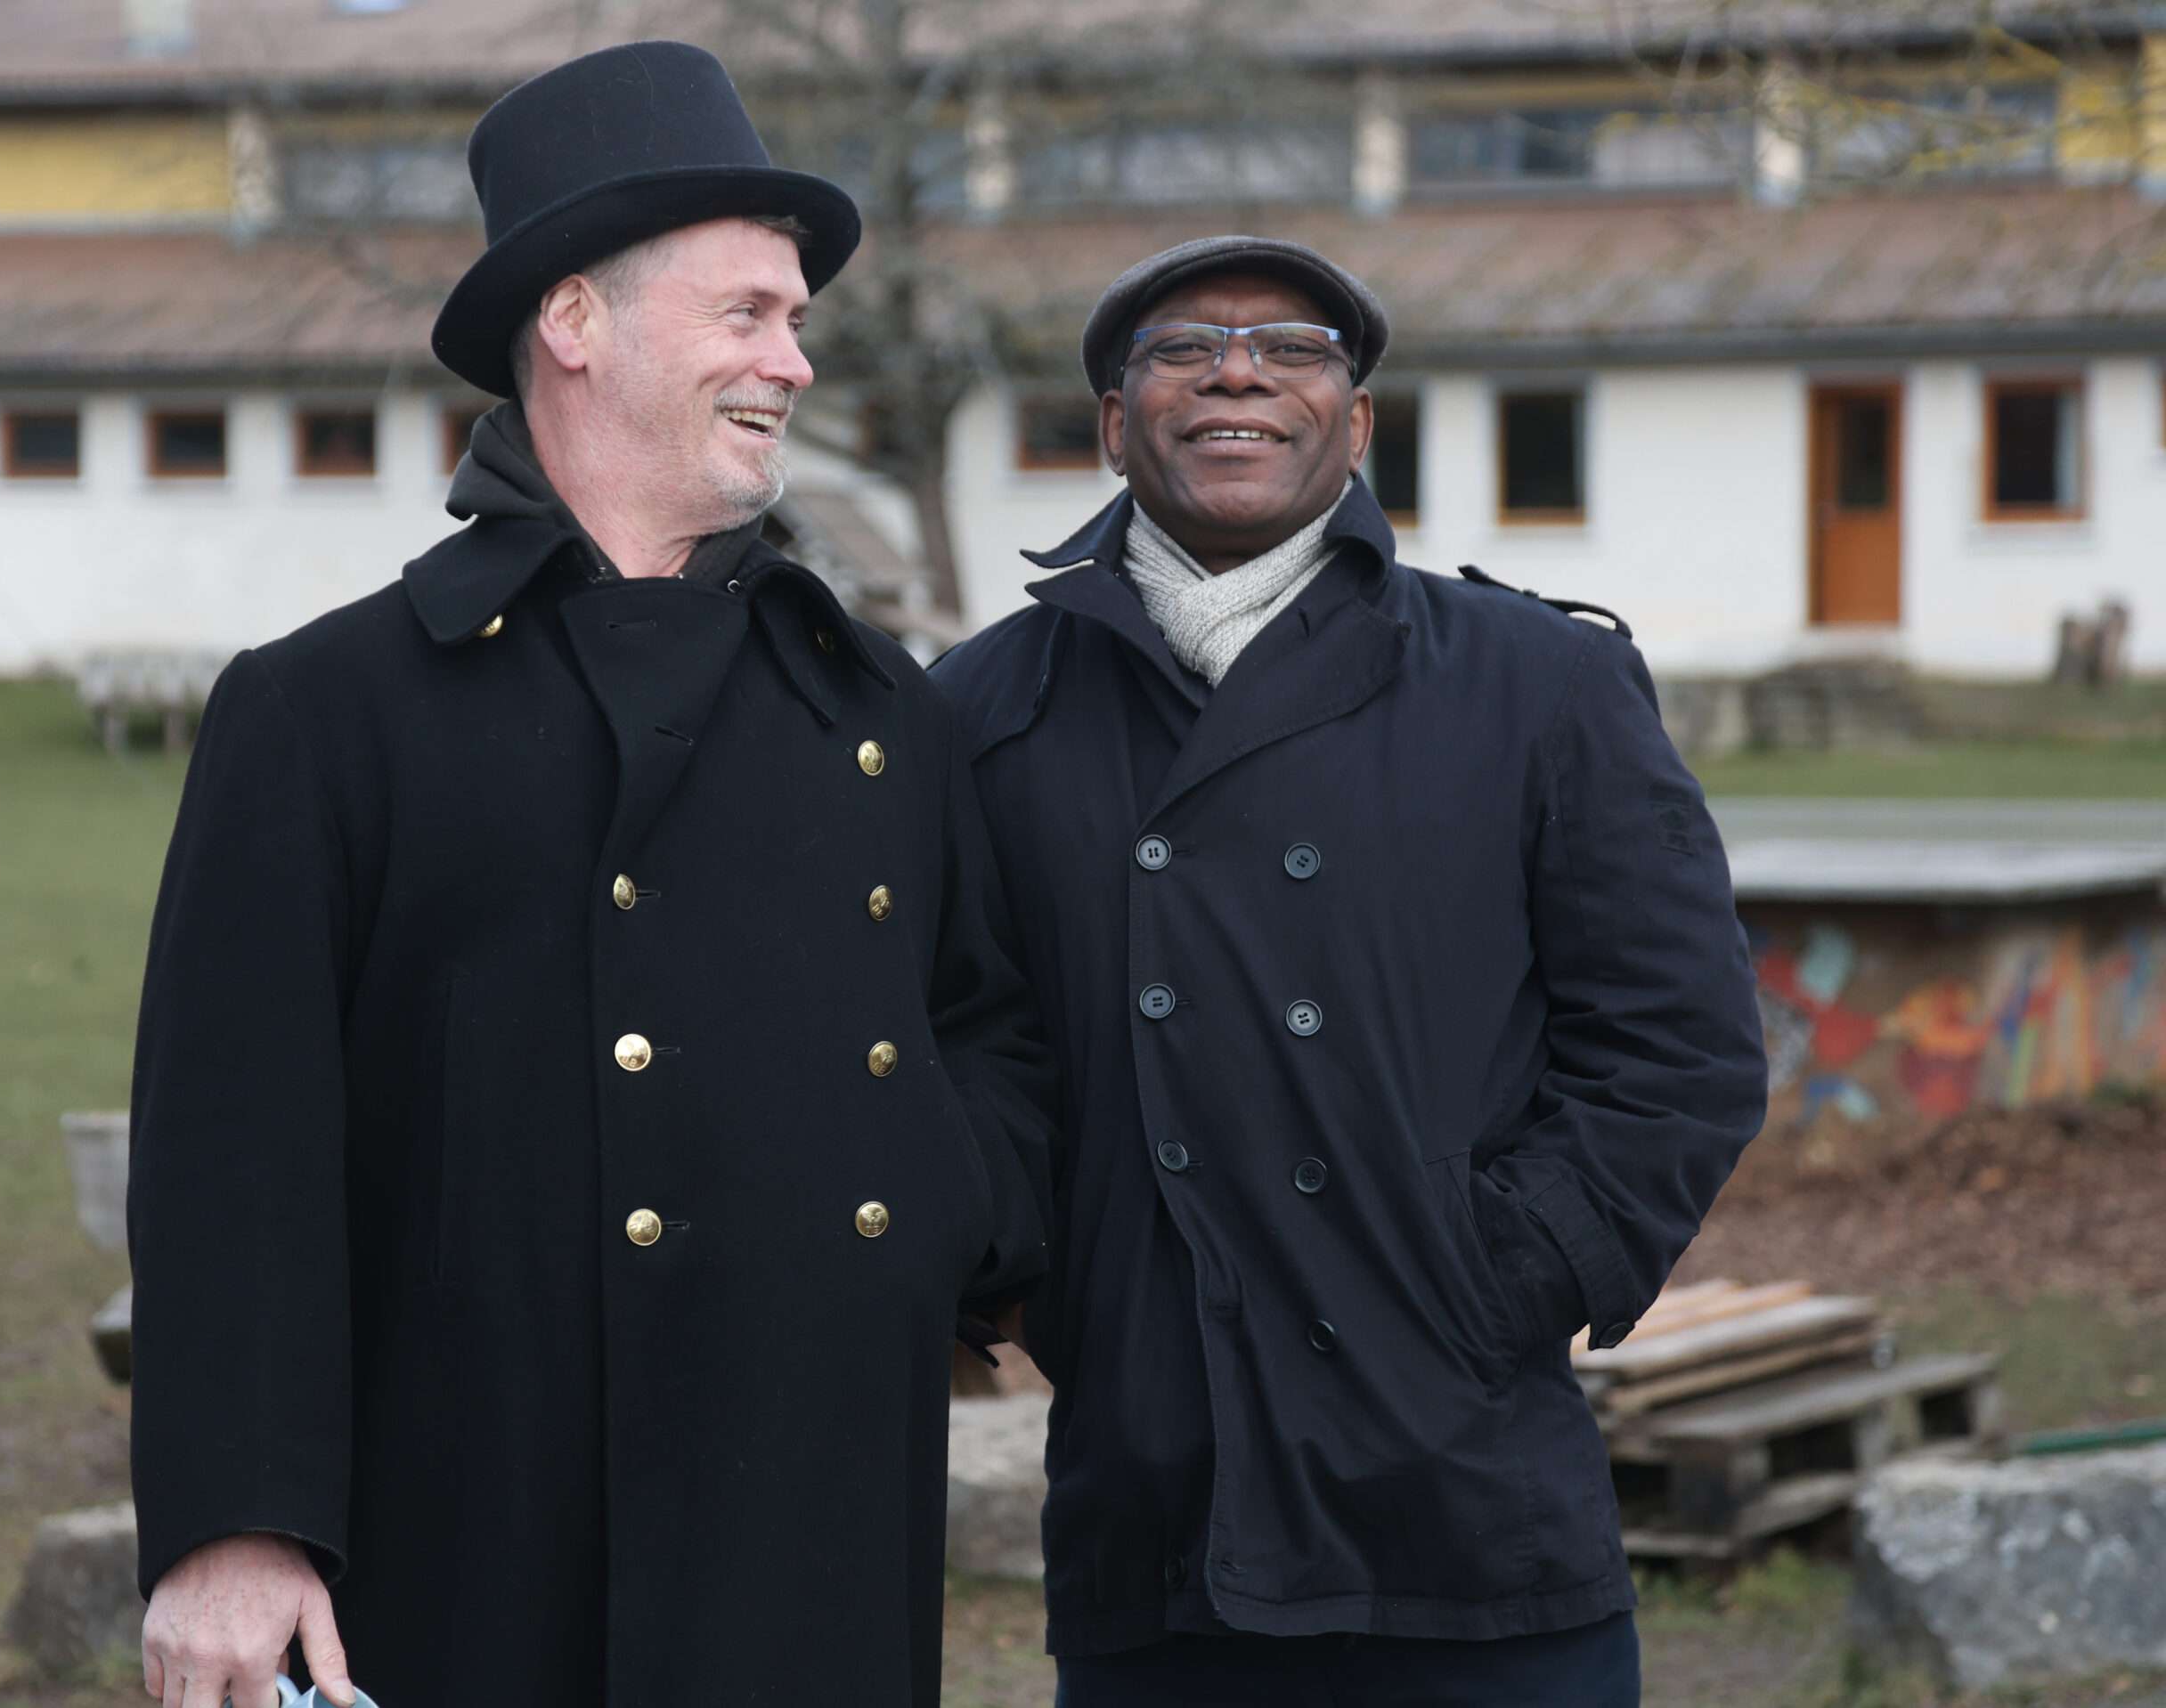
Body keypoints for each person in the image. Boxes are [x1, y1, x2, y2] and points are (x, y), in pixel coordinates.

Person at [126, 42, 1052, 1708]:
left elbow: (986, 1033)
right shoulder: (327, 710)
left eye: (797, 319)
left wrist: (927, 1215)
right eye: (747, 312)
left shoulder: (876, 708)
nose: (795, 359)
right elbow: (232, 1156)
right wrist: (234, 1526)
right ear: (573, 320)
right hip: (474, 1525)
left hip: (813, 1514)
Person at [930, 235, 1770, 1705]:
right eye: (1182, 349)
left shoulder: (1538, 682)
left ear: (1358, 420)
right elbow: (958, 1047)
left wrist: (1489, 1280)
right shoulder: (981, 712)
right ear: (1115, 423)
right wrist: (1064, 1292)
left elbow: (1680, 1051)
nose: (1237, 373)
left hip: (1470, 1504)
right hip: (1153, 1513)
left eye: (1293, 348)